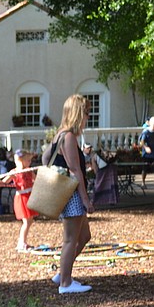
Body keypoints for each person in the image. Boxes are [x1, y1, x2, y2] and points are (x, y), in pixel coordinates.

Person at [43, 93, 95, 294]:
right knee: (71, 239)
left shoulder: (59, 135)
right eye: (86, 113)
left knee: (84, 235)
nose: (87, 117)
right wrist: (85, 199)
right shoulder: (69, 137)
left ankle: (63, 274)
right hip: (71, 194)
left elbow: (47, 158)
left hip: (65, 192)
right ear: (78, 113)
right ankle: (65, 283)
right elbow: (75, 170)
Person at [0, 149, 38, 252]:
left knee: (29, 221)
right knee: (26, 221)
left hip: (29, 195)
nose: (29, 162)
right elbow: (4, 182)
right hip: (22, 197)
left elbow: (36, 180)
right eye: (28, 160)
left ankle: (23, 242)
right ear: (21, 160)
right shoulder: (15, 172)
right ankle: (21, 243)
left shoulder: (29, 170)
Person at [139, 115, 154, 187]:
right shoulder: (146, 132)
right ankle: (143, 182)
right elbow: (141, 142)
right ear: (150, 123)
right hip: (147, 154)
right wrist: (146, 147)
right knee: (145, 168)